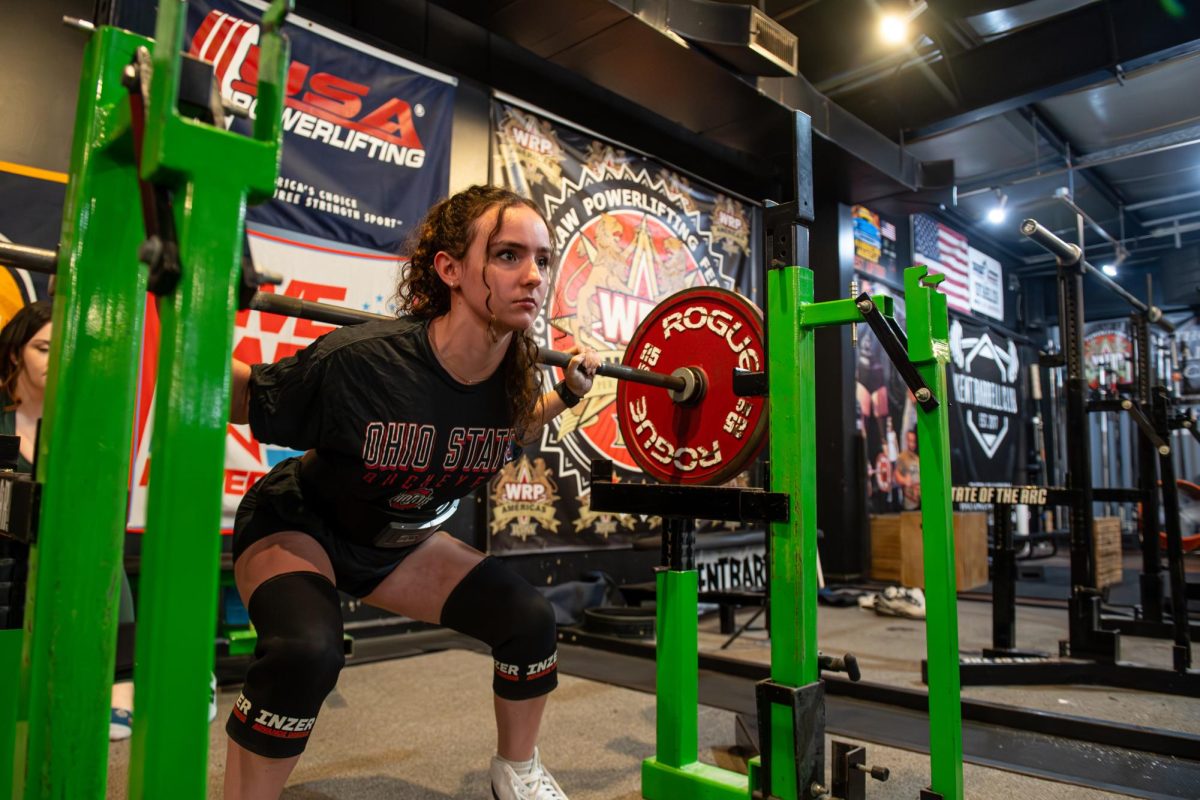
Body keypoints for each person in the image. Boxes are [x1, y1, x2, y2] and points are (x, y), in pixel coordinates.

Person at [225, 185, 600, 800]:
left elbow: (510, 427)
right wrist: (194, 310)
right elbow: (242, 396)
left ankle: (517, 769)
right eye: (508, 255)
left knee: (528, 619)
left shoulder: (513, 375)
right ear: (450, 270)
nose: (533, 276)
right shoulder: (363, 362)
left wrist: (566, 395)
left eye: (543, 258)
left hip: (400, 545)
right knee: (306, 651)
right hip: (302, 525)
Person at [0, 301, 139, 738]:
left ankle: (122, 681)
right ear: (15, 353)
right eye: (43, 347)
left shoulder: (85, 432)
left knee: (103, 548)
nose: (55, 358)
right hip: (8, 564)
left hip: (65, 562)